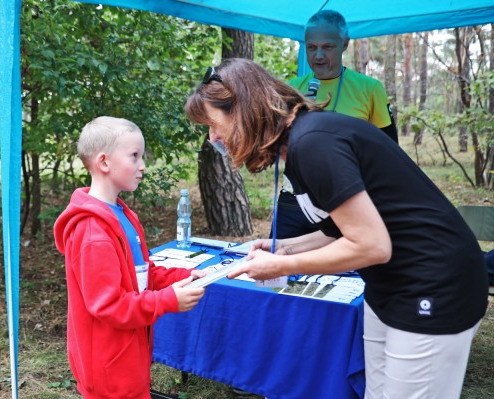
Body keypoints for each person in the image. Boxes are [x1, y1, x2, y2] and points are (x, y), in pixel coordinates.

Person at [185, 58, 488, 399]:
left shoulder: (315, 143)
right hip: (388, 285)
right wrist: (284, 247)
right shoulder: (296, 145)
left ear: (243, 109)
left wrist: (281, 266)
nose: (213, 136)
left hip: (435, 283)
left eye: (212, 123)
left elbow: (372, 245)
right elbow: (338, 228)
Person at [54, 116, 206, 399]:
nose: (143, 165)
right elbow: (109, 305)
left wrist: (184, 276)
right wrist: (168, 300)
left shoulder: (123, 216)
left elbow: (142, 273)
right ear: (104, 163)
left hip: (129, 356)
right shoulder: (93, 233)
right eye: (134, 156)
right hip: (108, 368)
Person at [277, 9, 398, 239]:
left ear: (345, 44)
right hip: (295, 199)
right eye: (311, 47)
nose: (318, 55)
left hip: (344, 198)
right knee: (278, 268)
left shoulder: (369, 89)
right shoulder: (291, 88)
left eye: (328, 47)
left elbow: (389, 150)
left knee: (340, 271)